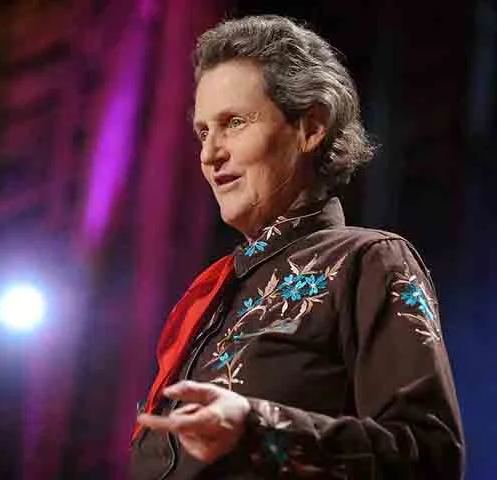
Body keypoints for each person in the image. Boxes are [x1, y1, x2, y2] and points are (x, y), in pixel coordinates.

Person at [129, 15, 464, 480]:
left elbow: (429, 456)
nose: (209, 154)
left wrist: (257, 427)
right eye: (203, 132)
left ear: (311, 128)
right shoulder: (208, 297)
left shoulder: (369, 261)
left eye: (234, 123)